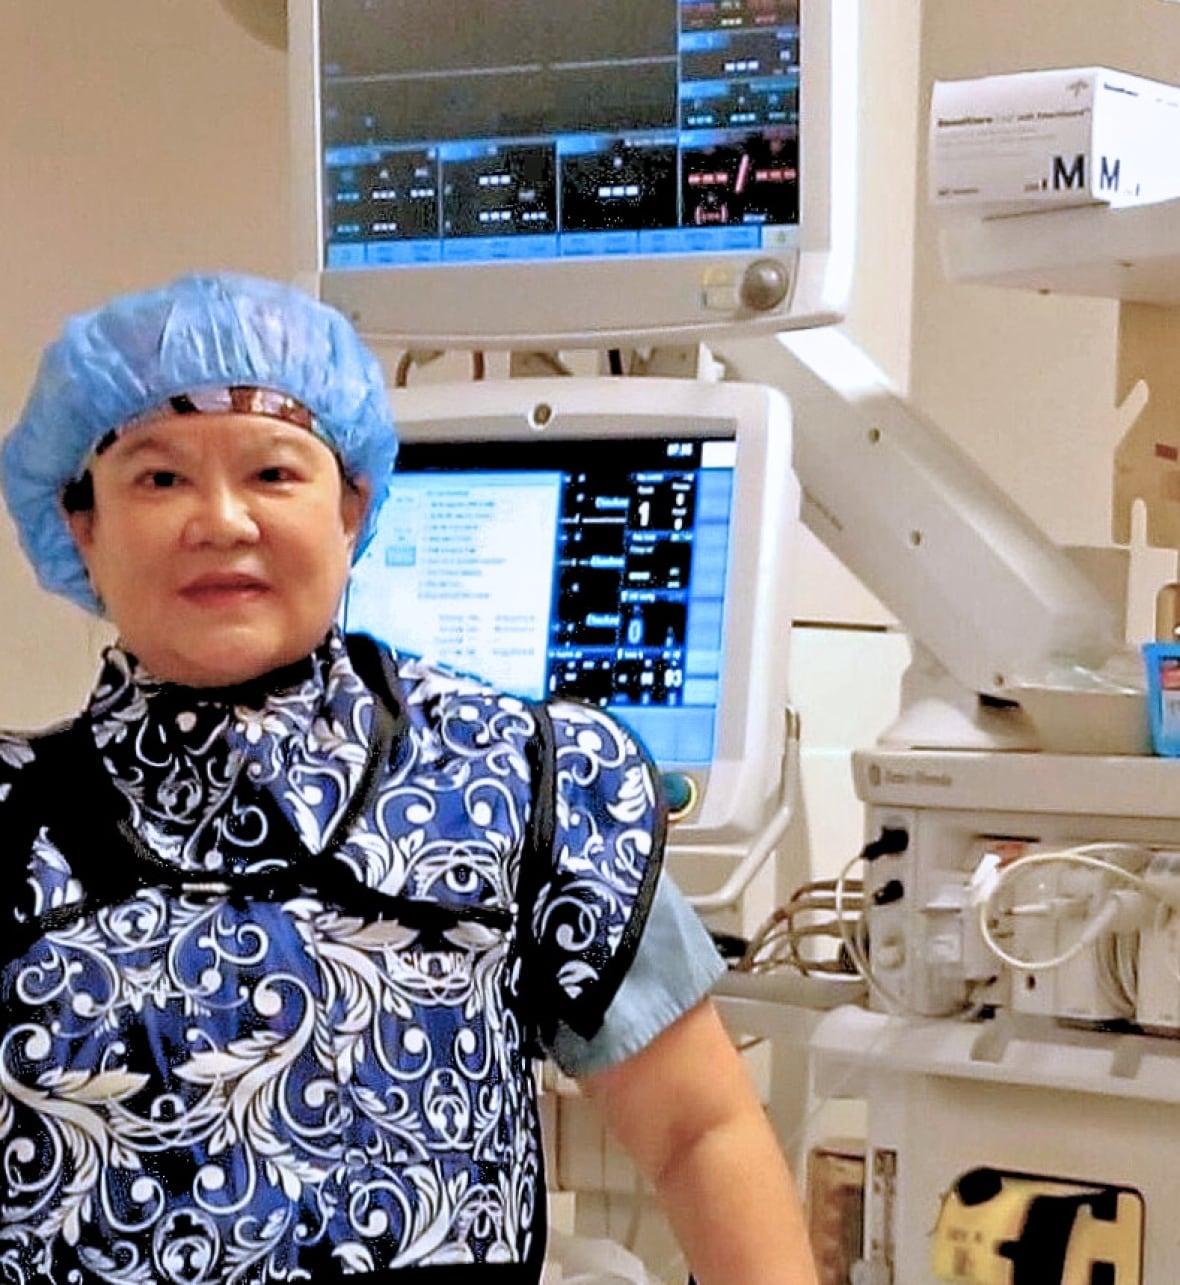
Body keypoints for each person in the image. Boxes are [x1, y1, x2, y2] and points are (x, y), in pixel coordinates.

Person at [0, 272, 818, 1285]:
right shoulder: (12, 823)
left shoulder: (526, 788)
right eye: (158, 479)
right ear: (81, 523)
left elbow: (700, 1131)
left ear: (352, 505)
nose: (220, 521)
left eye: (272, 473)